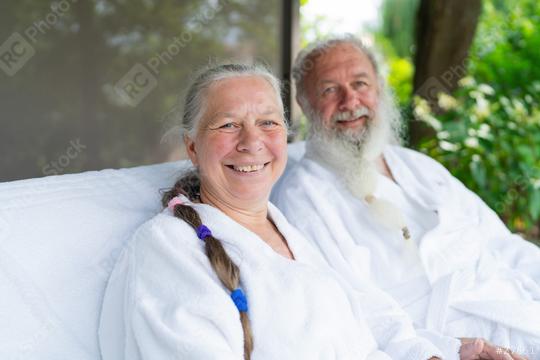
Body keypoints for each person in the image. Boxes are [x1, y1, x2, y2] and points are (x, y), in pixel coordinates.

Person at [97, 63, 449, 359]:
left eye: (268, 123)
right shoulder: (169, 247)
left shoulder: (288, 230)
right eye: (228, 124)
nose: (252, 142)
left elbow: (375, 315)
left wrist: (433, 353)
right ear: (192, 146)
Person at [271, 35, 540, 360]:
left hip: (521, 310)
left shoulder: (416, 165)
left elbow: (502, 244)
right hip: (460, 344)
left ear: (379, 89)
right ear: (304, 102)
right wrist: (445, 350)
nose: (350, 101)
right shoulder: (304, 197)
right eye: (329, 90)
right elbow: (354, 312)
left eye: (360, 84)